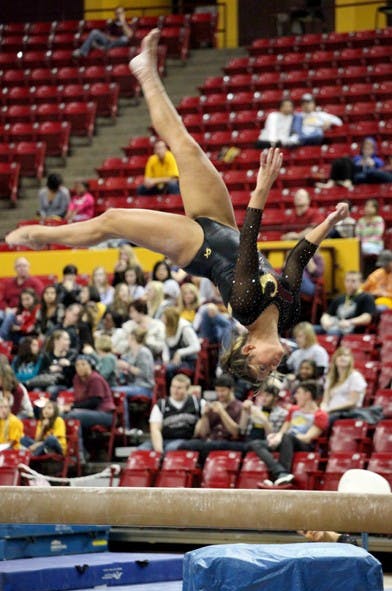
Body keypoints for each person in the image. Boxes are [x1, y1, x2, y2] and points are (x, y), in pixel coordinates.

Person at [5, 29, 351, 387]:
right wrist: (330, 219)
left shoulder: (247, 309)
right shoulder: (287, 314)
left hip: (198, 247)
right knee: (184, 143)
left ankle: (40, 235)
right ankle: (146, 72)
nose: (272, 366)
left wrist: (262, 188)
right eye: (270, 372)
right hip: (223, 225)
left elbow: (248, 246)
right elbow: (296, 261)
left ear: (248, 350)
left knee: (112, 220)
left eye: (263, 368)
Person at [252, 380, 328, 485]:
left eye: (298, 393)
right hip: (287, 440)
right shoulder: (293, 410)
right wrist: (276, 436)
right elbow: (284, 428)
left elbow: (308, 438)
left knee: (288, 438)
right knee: (256, 443)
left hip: (304, 444)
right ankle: (280, 472)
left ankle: (281, 475)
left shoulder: (320, 415)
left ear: (307, 395)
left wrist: (284, 436)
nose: (295, 396)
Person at [180, 374, 244, 460]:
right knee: (184, 445)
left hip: (229, 442)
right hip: (210, 441)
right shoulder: (212, 405)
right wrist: (205, 416)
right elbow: (200, 433)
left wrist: (222, 412)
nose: (219, 394)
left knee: (211, 445)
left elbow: (236, 433)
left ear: (231, 390)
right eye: (217, 391)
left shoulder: (239, 407)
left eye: (223, 391)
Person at [139, 373, 202, 453]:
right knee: (141, 451)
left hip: (187, 440)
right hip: (164, 439)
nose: (175, 390)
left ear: (187, 389)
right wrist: (159, 451)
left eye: (179, 388)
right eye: (173, 387)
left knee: (171, 448)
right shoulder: (161, 404)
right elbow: (155, 429)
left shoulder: (197, 403)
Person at [321, 347, 367, 426]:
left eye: (346, 355)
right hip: (330, 411)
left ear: (350, 360)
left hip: (346, 412)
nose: (342, 357)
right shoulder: (331, 378)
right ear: (335, 360)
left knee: (322, 421)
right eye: (340, 355)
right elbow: (325, 400)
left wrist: (330, 409)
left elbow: (353, 403)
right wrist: (323, 409)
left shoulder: (355, 377)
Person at [239, 377, 288, 442]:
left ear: (275, 398)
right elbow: (242, 430)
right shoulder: (255, 409)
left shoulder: (282, 413)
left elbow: (273, 437)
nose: (264, 398)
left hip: (265, 442)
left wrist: (263, 419)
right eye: (263, 395)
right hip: (249, 439)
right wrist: (244, 411)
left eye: (267, 396)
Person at [162, 306, 201, 383]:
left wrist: (180, 352)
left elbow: (197, 347)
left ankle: (170, 389)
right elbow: (165, 347)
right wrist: (165, 360)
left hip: (187, 361)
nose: (162, 320)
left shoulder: (185, 328)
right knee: (160, 368)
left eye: (164, 319)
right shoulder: (166, 327)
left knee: (168, 369)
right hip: (172, 360)